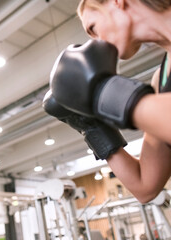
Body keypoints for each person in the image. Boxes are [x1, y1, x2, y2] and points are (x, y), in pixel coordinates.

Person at [44, 0, 171, 204]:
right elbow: (145, 186)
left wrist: (104, 94)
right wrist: (93, 126)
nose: (97, 41)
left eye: (93, 28)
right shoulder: (161, 79)